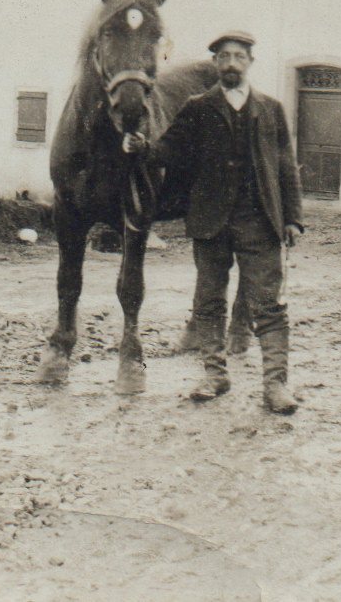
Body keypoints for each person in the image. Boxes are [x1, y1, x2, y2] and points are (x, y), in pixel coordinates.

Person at [125, 30, 305, 414]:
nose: (230, 64)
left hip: (260, 223)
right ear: (215, 64)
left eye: (238, 56)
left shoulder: (271, 109)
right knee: (208, 302)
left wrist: (293, 219)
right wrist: (142, 148)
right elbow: (167, 151)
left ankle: (276, 386)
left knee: (269, 305)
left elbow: (286, 167)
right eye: (223, 57)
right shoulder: (197, 107)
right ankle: (214, 375)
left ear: (250, 63)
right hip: (210, 223)